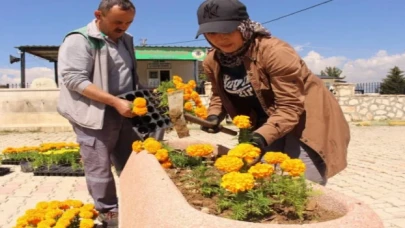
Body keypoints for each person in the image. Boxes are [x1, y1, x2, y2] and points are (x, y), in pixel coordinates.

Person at [196, 0, 350, 186]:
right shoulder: (212, 61)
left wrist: (261, 137)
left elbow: (291, 106)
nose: (220, 39)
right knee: (263, 175)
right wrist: (213, 116)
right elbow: (219, 95)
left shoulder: (275, 52)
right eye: (212, 33)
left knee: (302, 180)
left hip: (305, 116)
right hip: (266, 119)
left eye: (227, 31)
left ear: (243, 26)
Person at [57, 0, 164, 226]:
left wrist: (151, 95)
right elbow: (75, 80)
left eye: (128, 22)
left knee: (131, 163)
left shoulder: (125, 40)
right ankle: (110, 215)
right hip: (93, 115)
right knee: (99, 170)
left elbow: (127, 76)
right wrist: (115, 102)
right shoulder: (80, 40)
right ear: (99, 14)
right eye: (118, 21)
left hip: (125, 112)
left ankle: (134, 207)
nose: (123, 26)